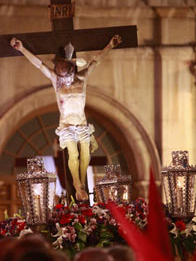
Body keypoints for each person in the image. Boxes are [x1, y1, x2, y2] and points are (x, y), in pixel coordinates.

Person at [10, 34, 122, 201]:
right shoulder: (57, 81)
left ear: (72, 70)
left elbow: (95, 62)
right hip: (67, 124)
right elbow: (39, 65)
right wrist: (22, 49)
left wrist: (110, 46)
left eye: (67, 77)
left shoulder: (82, 78)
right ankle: (78, 185)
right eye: (62, 77)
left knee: (85, 154)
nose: (66, 81)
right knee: (73, 155)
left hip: (81, 123)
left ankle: (81, 185)